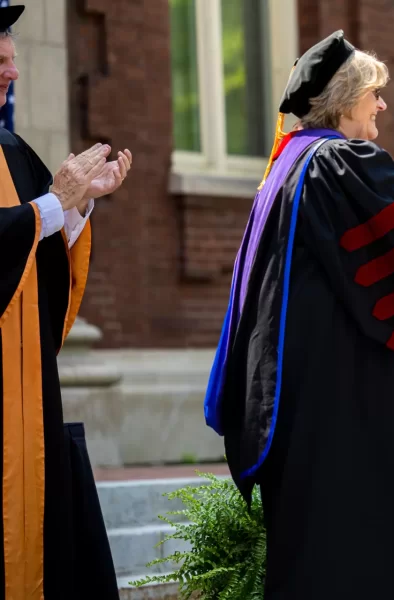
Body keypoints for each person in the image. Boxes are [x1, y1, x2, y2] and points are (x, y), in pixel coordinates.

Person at [203, 31, 394, 599]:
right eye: (374, 93)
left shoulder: (289, 164)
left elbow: (368, 265)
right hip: (337, 401)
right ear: (344, 99)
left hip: (298, 398)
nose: (382, 104)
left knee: (312, 547)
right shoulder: (338, 161)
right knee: (354, 547)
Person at [0, 6, 132, 598]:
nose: (13, 74)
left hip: (25, 400)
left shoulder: (9, 148)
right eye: (2, 61)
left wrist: (77, 207)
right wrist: (52, 205)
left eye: (13, 59)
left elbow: (36, 256)